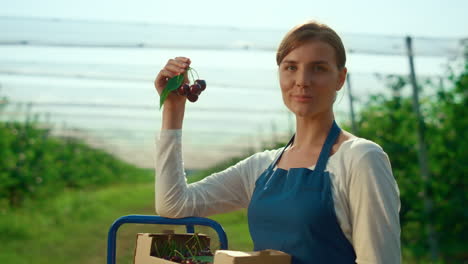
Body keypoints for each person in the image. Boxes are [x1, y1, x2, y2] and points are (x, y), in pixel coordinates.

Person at [154, 21, 401, 264]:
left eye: (319, 68)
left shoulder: (360, 158)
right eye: (291, 67)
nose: (302, 80)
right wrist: (172, 111)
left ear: (340, 78)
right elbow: (175, 204)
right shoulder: (263, 167)